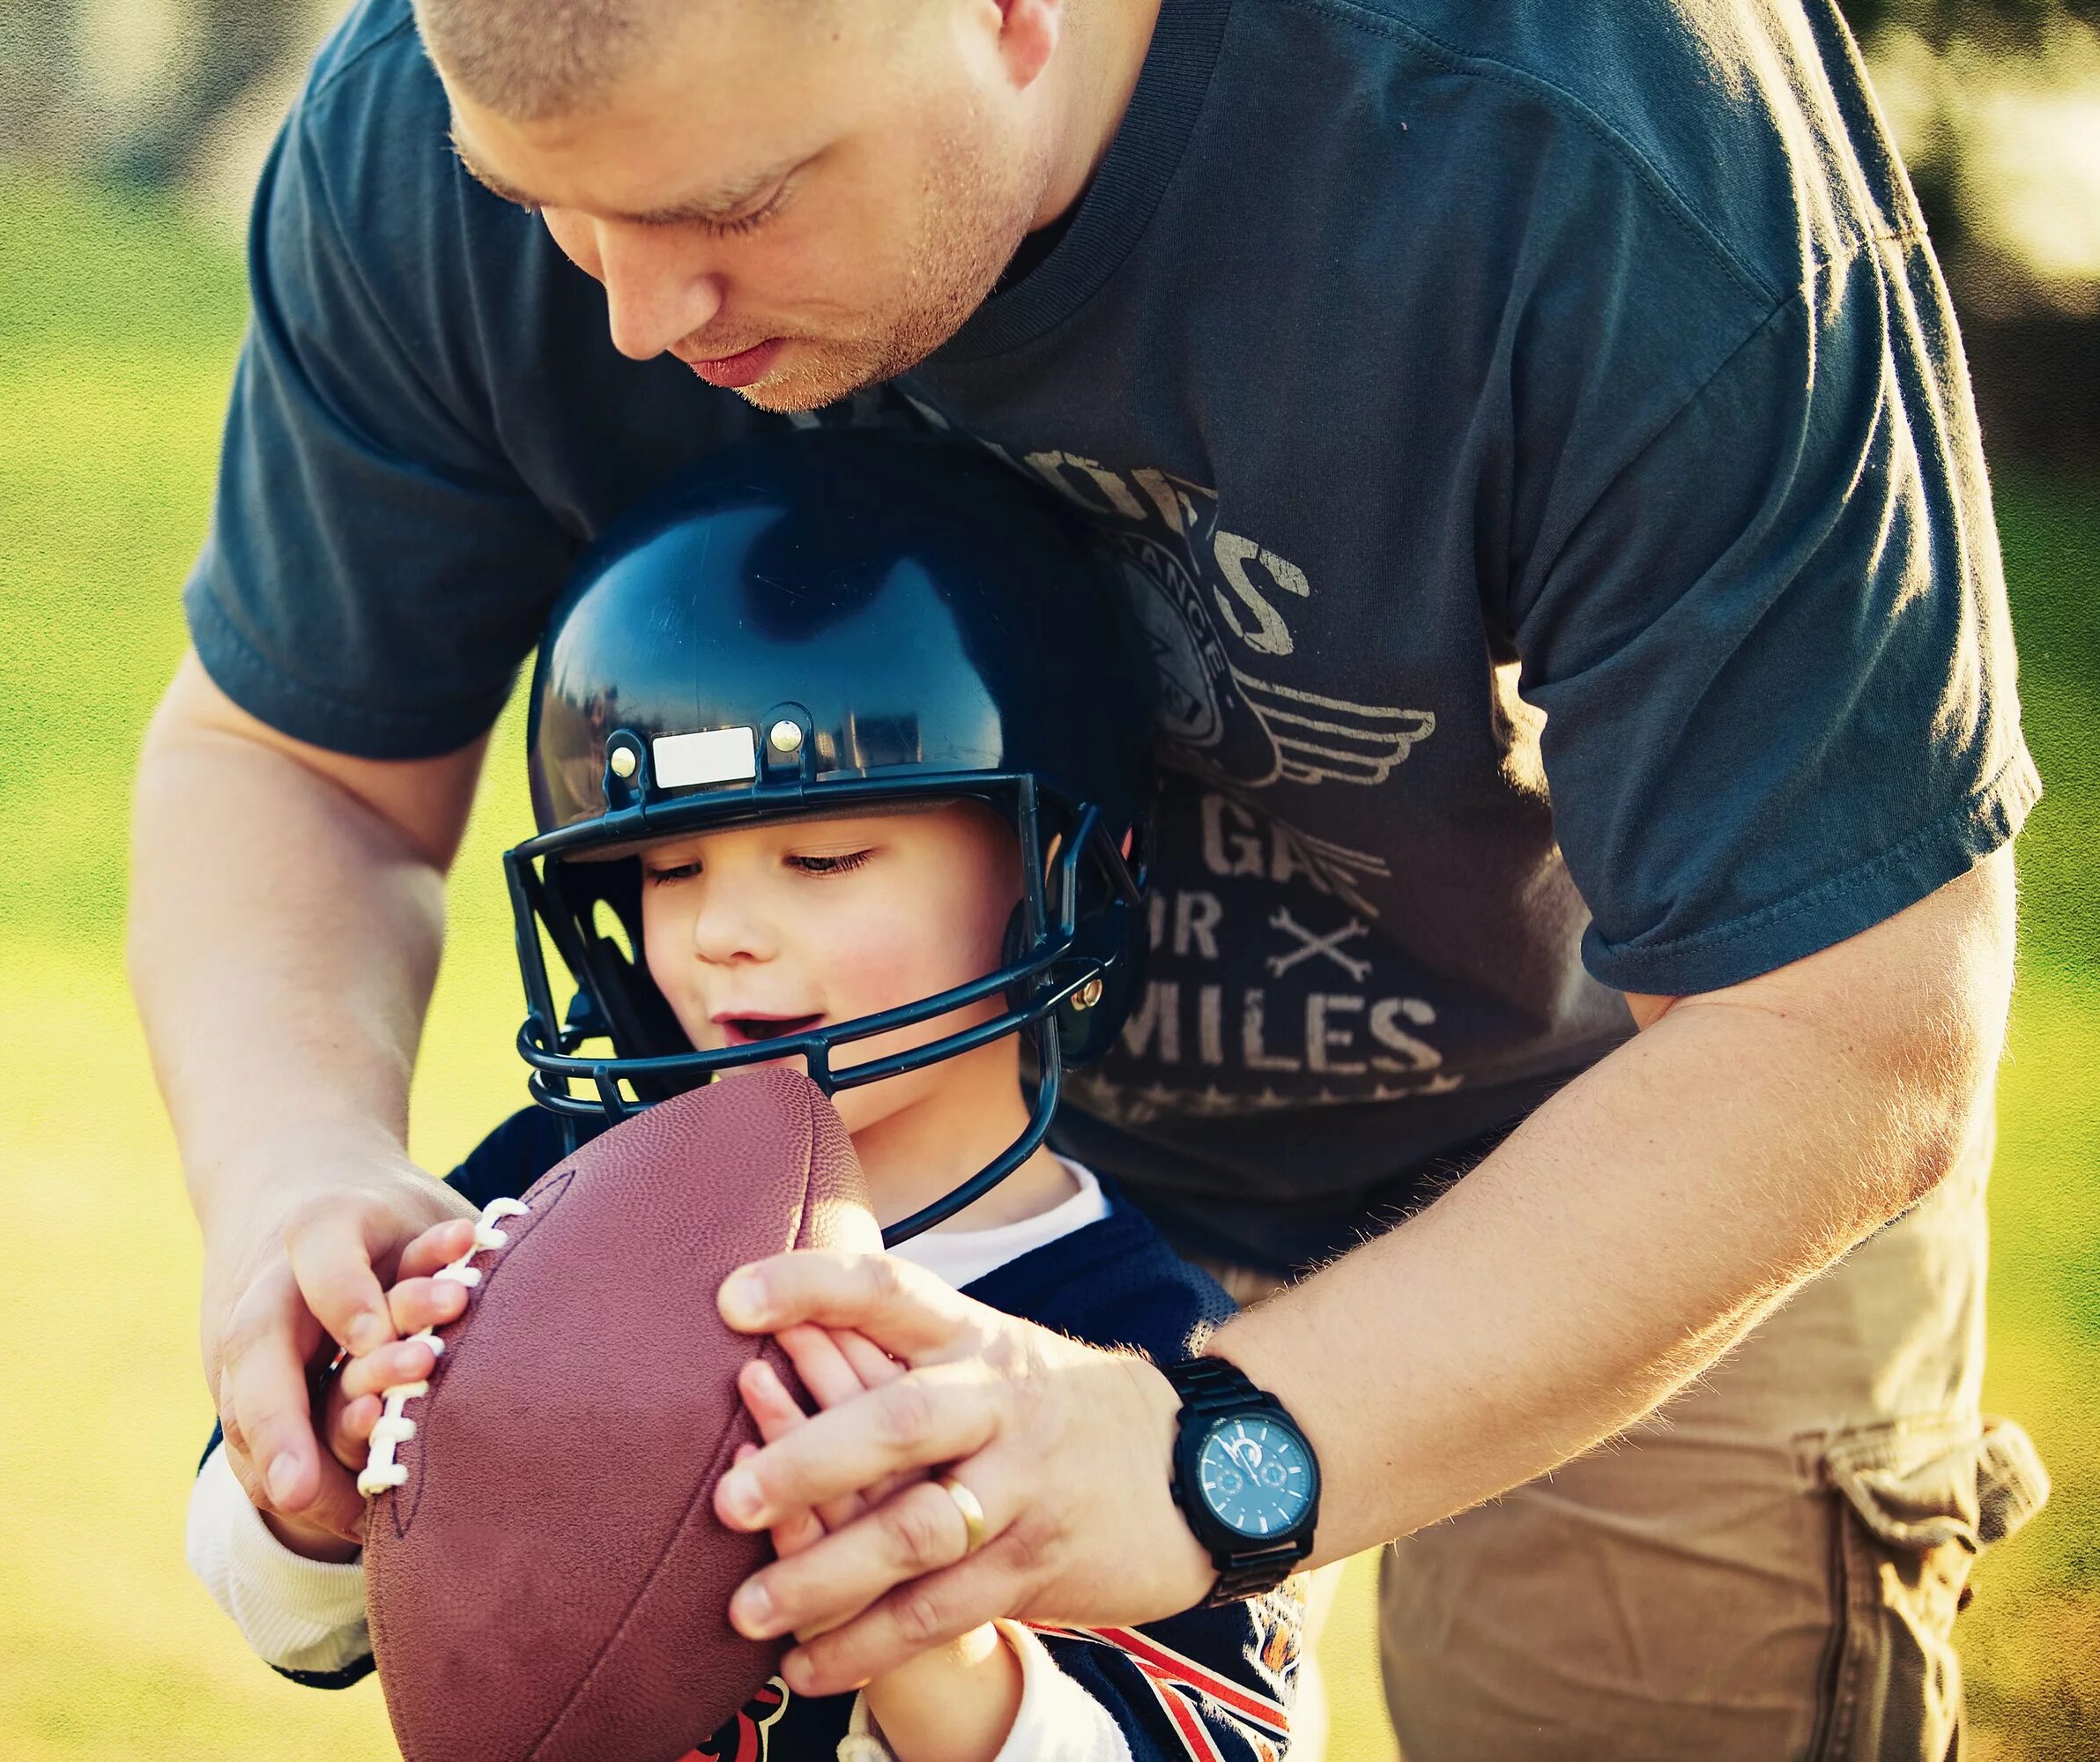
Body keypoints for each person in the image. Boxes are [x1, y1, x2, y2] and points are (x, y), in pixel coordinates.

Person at [129, 1, 2048, 1755]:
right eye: (548, 210)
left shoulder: (1593, 126)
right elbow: (296, 762)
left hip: (1625, 1121)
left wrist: (1203, 1451)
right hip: (890, 1146)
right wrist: (295, 1182)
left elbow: (1847, 1020)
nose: (634, 312)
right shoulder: (476, 91)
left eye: (734, 201)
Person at [187, 430, 1304, 1762]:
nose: (724, 933)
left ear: (1056, 873)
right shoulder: (549, 1194)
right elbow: (290, 1619)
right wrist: (328, 1484)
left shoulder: (1137, 1342)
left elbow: (1228, 1742)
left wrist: (937, 1638)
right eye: (668, 871)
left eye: (822, 857)